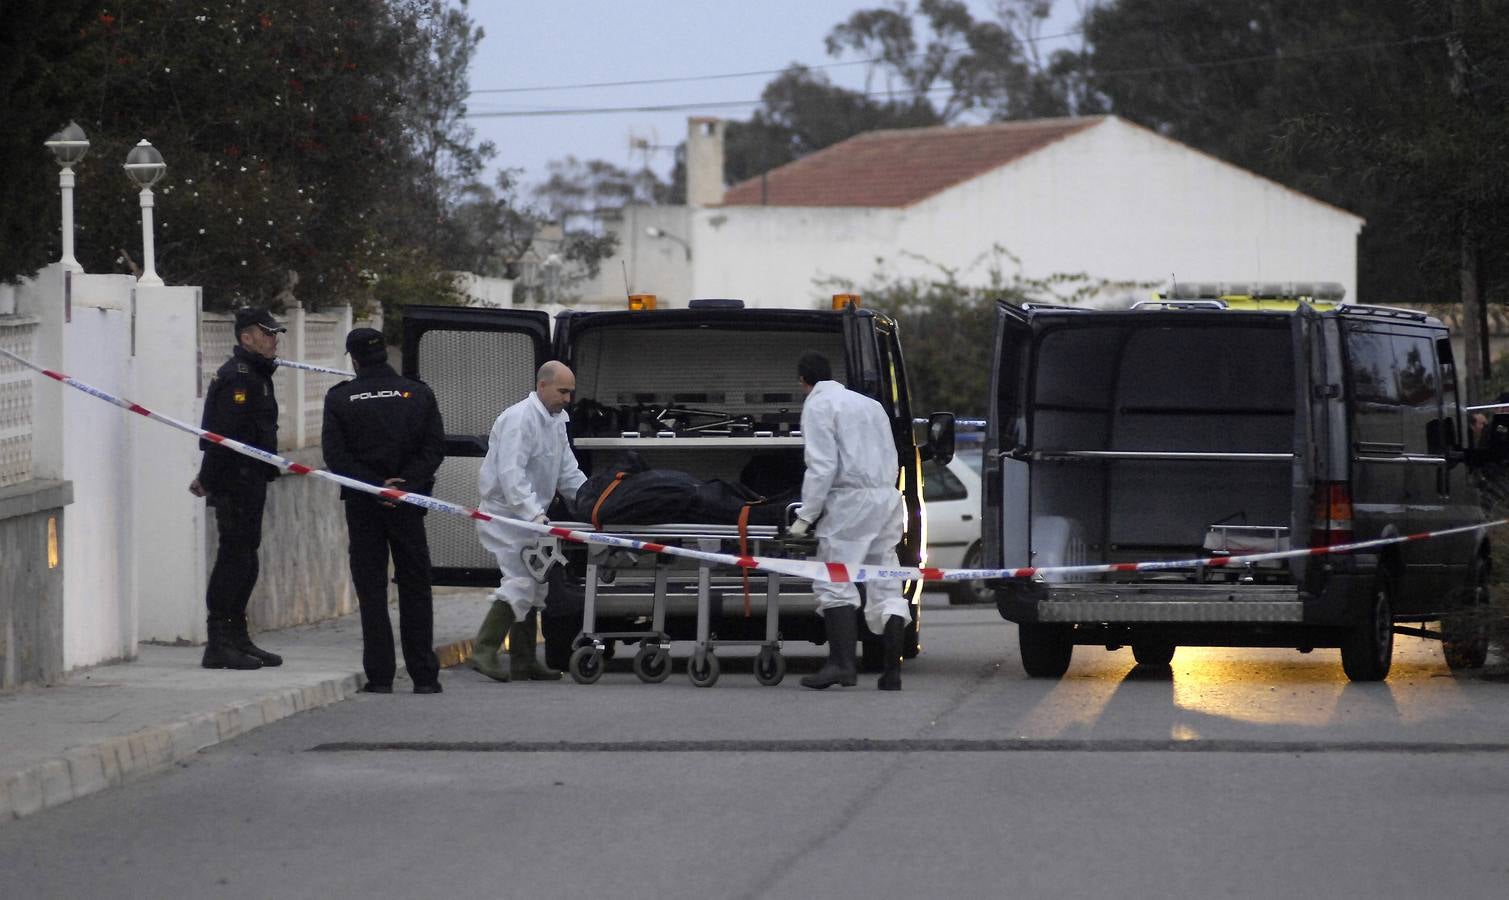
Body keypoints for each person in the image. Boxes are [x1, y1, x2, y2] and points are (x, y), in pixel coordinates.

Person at [322, 328, 447, 694]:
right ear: (384, 356)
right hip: (409, 506)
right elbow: (434, 448)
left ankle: (380, 676)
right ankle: (424, 675)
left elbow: (336, 456)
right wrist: (404, 485)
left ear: (354, 359)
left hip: (364, 506)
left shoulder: (341, 398)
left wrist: (375, 486)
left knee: (372, 590)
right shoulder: (418, 393)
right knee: (416, 588)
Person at [789, 351, 909, 691]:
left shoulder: (817, 405)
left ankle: (841, 665)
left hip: (850, 503)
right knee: (885, 579)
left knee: (834, 579)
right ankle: (891, 672)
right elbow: (891, 452)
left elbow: (822, 466)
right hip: (886, 498)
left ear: (803, 381)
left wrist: (805, 517)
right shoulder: (870, 405)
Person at [470, 361, 588, 682]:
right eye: (562, 391)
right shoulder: (520, 419)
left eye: (570, 393)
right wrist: (533, 515)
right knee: (520, 582)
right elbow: (511, 475)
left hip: (534, 518)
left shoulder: (556, 421)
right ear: (542, 386)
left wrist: (591, 500)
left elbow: (567, 471)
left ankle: (523, 660)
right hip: (507, 515)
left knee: (537, 585)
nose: (567, 399)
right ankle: (483, 650)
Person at [188, 307, 286, 670]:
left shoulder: (258, 375)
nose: (275, 340)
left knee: (246, 558)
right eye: (268, 333)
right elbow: (222, 437)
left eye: (276, 334)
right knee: (233, 559)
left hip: (252, 478)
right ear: (246, 337)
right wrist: (208, 478)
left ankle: (238, 636)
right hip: (234, 481)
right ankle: (218, 643)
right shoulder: (238, 378)